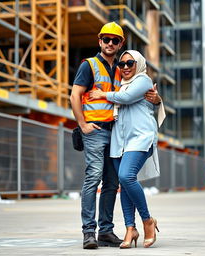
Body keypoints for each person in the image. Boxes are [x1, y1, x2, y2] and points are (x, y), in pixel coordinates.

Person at [70, 22, 161, 249]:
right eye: (106, 39)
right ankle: (89, 232)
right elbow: (75, 95)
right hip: (95, 130)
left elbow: (136, 94)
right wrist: (83, 124)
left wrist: (157, 99)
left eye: (115, 40)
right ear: (100, 41)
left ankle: (107, 231)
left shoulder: (124, 70)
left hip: (117, 133)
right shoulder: (89, 65)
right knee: (93, 179)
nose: (110, 43)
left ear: (121, 44)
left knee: (113, 182)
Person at [89, 50, 164, 249]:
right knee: (124, 182)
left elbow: (127, 97)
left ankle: (147, 221)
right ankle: (130, 229)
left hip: (140, 138)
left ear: (138, 63)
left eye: (130, 63)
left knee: (126, 176)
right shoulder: (119, 84)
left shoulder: (143, 80)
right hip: (119, 141)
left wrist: (103, 94)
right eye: (121, 65)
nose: (125, 67)